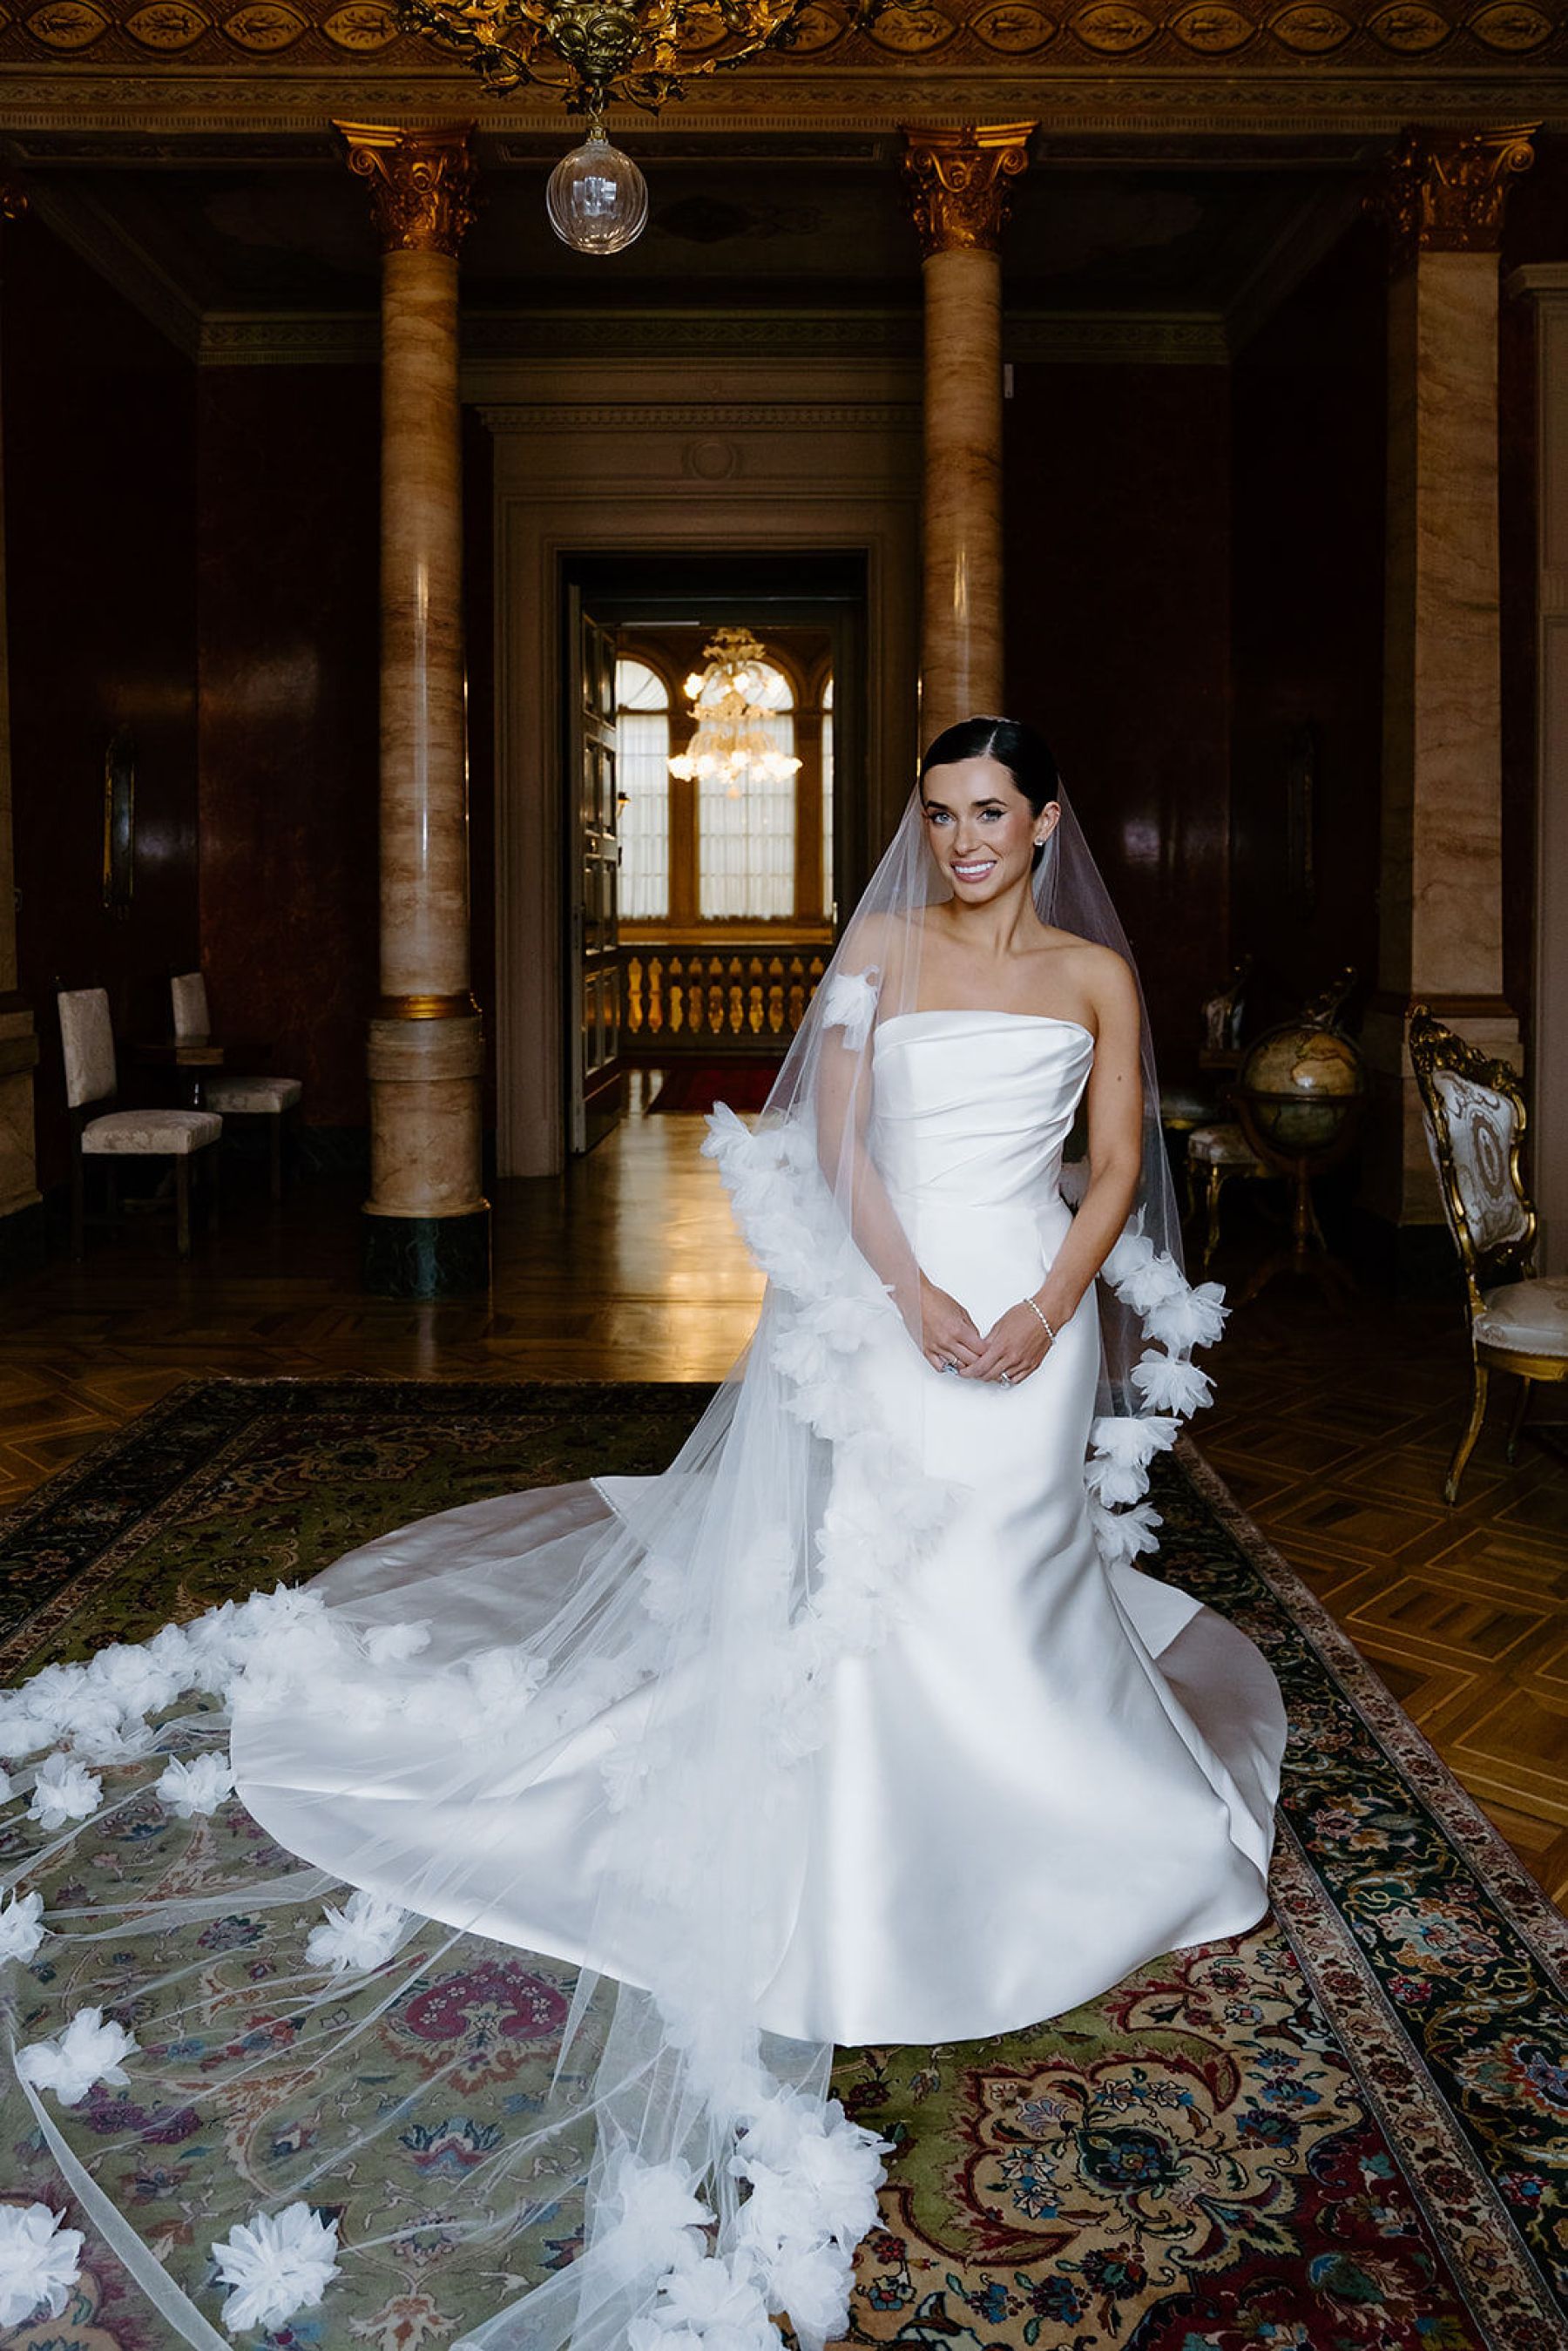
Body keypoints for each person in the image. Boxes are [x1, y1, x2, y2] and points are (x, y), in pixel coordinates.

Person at [0, 716, 1286, 2351]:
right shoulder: (882, 941)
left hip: (1028, 1322)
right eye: (941, 814)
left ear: (1047, 819)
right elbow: (838, 1149)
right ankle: (878, 1837)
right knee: (880, 1572)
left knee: (1013, 1567)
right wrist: (913, 1301)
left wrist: (1043, 1309)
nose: (965, 842)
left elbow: (1114, 1167)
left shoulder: (1097, 978)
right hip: (896, 1312)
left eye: (991, 815)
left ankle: (1054, 1800)